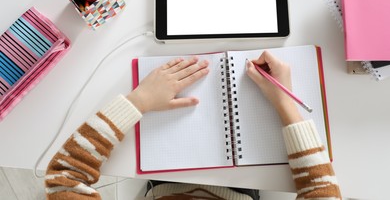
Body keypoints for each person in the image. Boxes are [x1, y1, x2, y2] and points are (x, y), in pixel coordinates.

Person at [45, 52, 341, 199]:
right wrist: (286, 104)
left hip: (163, 190)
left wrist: (138, 101)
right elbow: (322, 191)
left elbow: (64, 178)